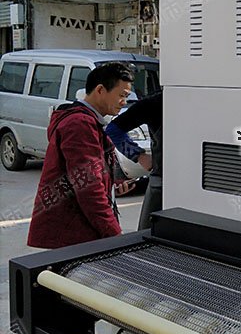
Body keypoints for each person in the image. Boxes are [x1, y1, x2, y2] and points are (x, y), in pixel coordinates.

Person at [28, 63, 136, 248]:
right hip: (73, 233)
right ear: (100, 90)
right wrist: (114, 234)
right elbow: (88, 188)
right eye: (121, 95)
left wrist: (112, 186)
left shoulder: (87, 120)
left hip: (76, 231)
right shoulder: (80, 124)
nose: (124, 102)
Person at [106, 89, 162, 230]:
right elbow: (113, 130)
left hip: (197, 182)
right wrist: (139, 155)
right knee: (148, 234)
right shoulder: (155, 103)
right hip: (161, 184)